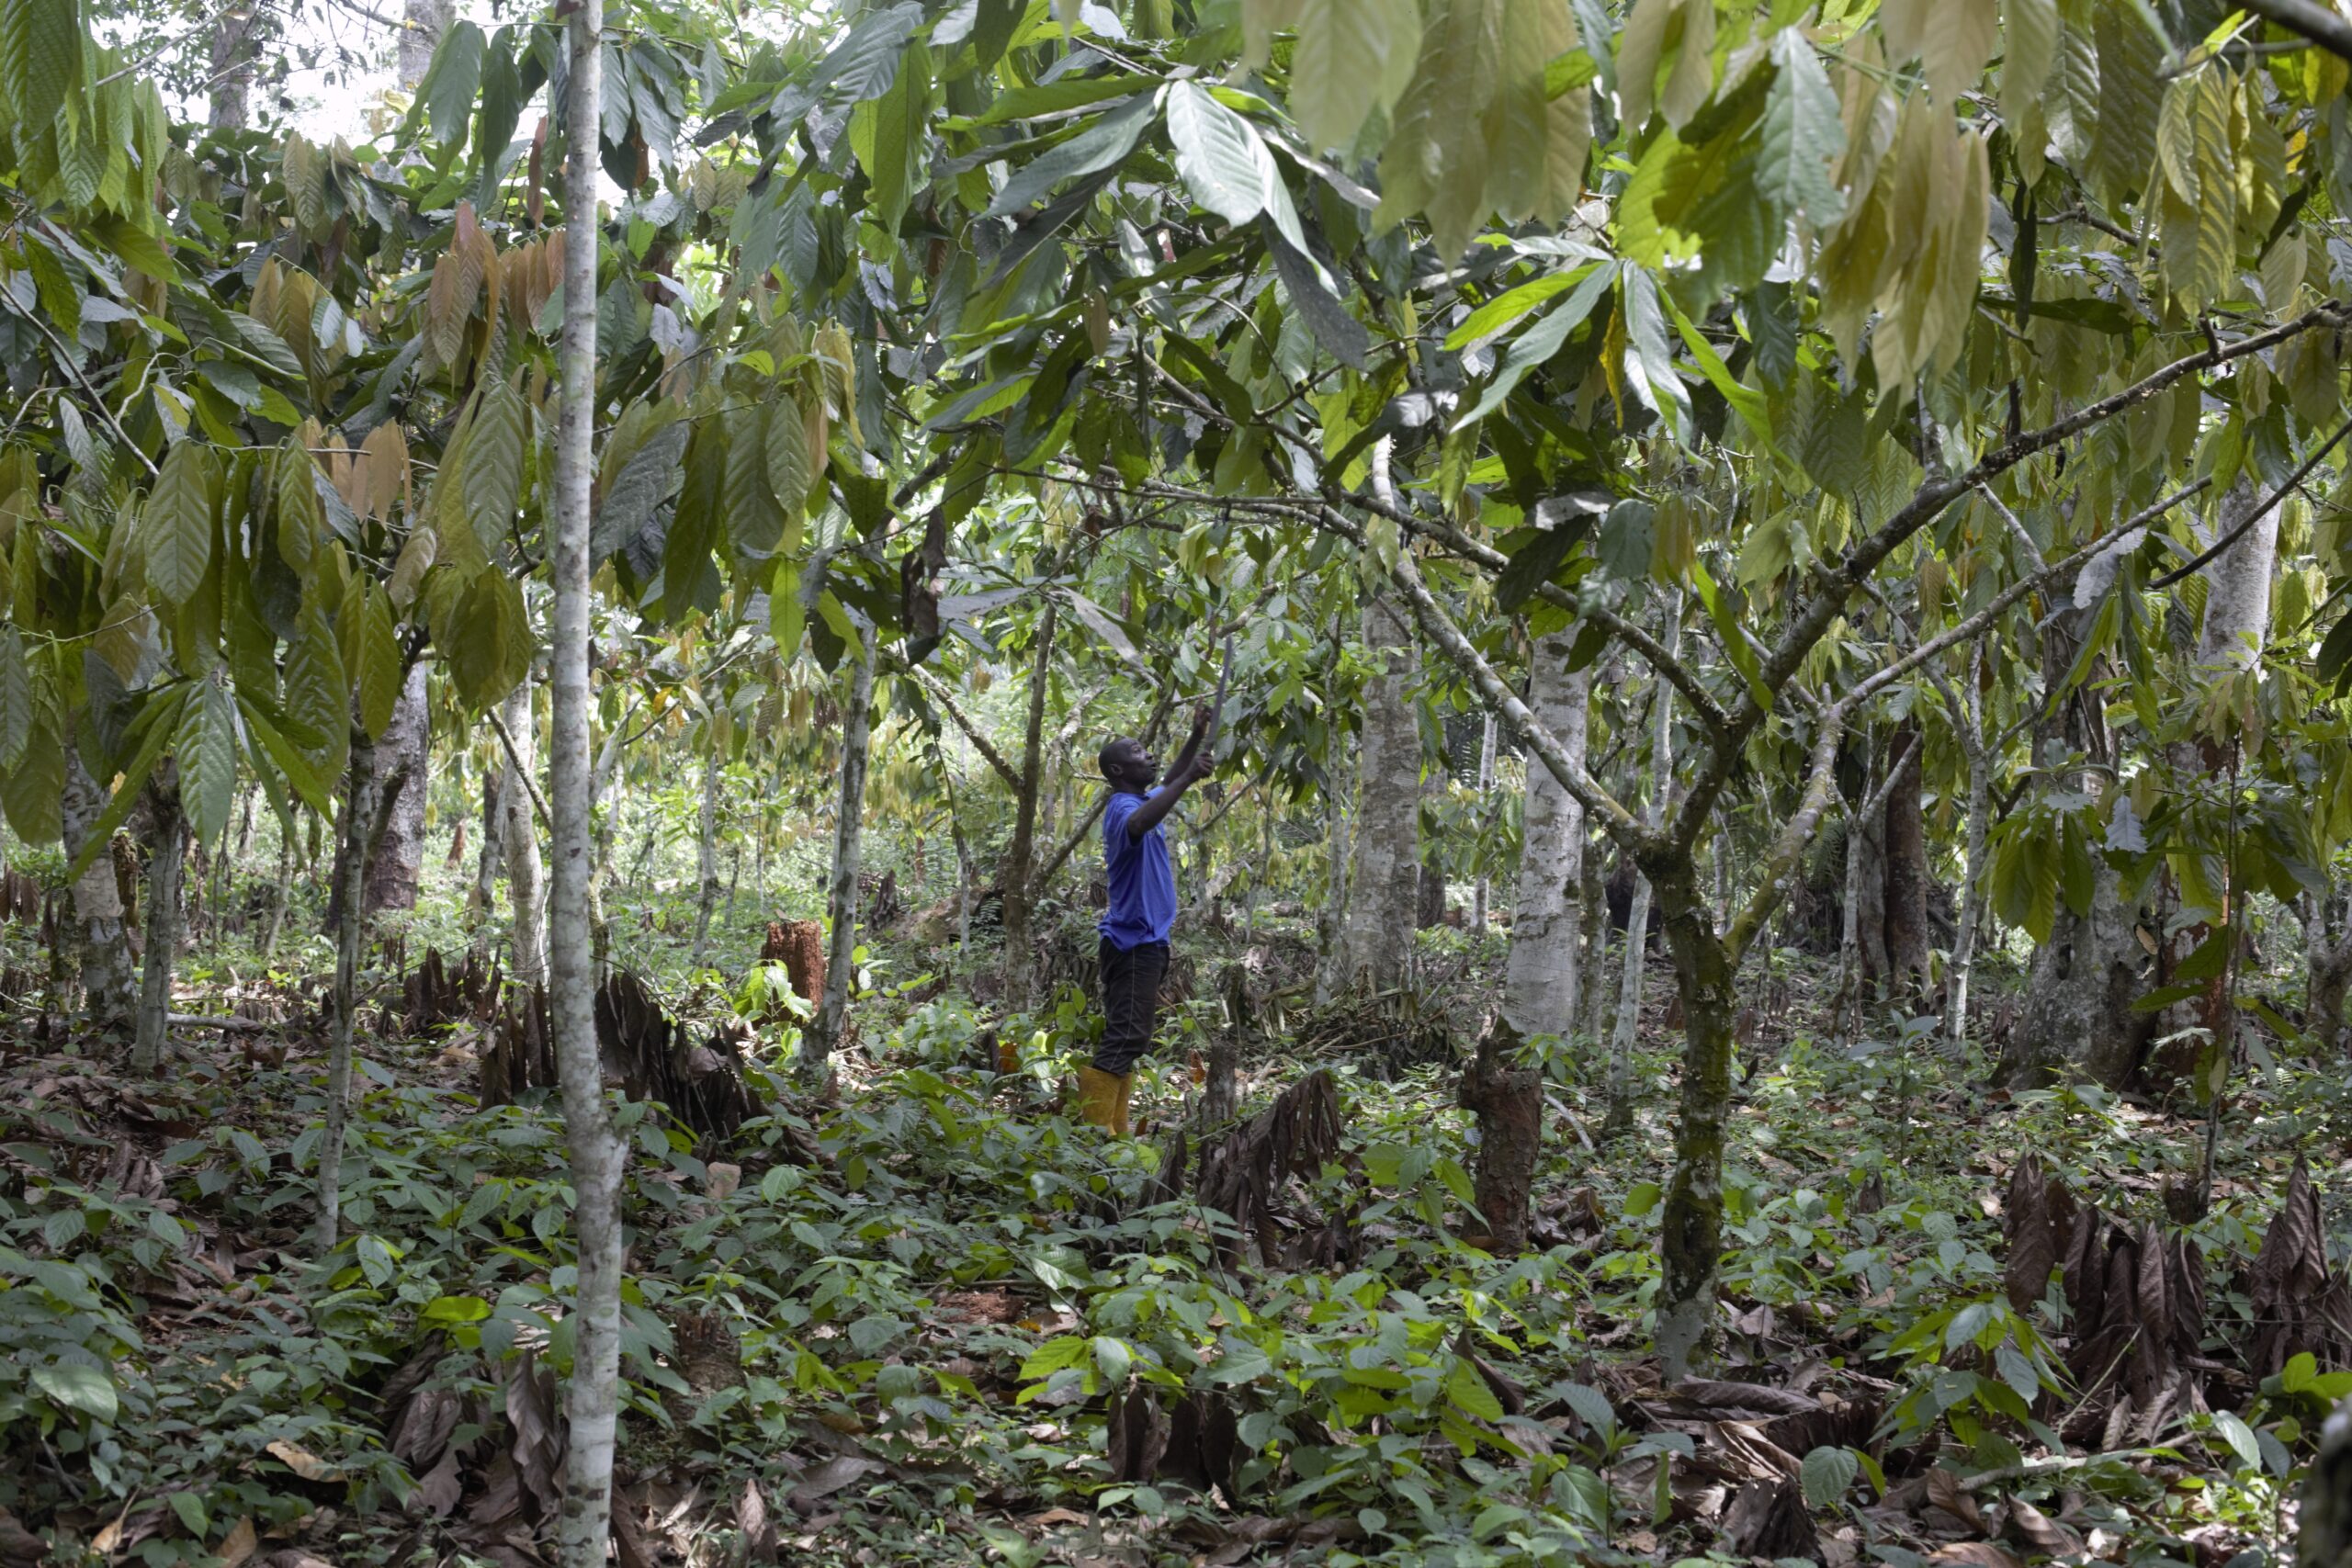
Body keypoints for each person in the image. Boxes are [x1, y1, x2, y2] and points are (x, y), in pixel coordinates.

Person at [1080, 703, 1216, 1134]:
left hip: (1145, 941)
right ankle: (1093, 1137)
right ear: (1118, 770)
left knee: (1131, 1037)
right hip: (1133, 942)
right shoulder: (1124, 808)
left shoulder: (1140, 800)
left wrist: (1196, 736)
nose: (1150, 755)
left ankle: (1114, 1134)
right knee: (1126, 1037)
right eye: (1138, 752)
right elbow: (1141, 820)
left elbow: (1170, 782)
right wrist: (1190, 777)